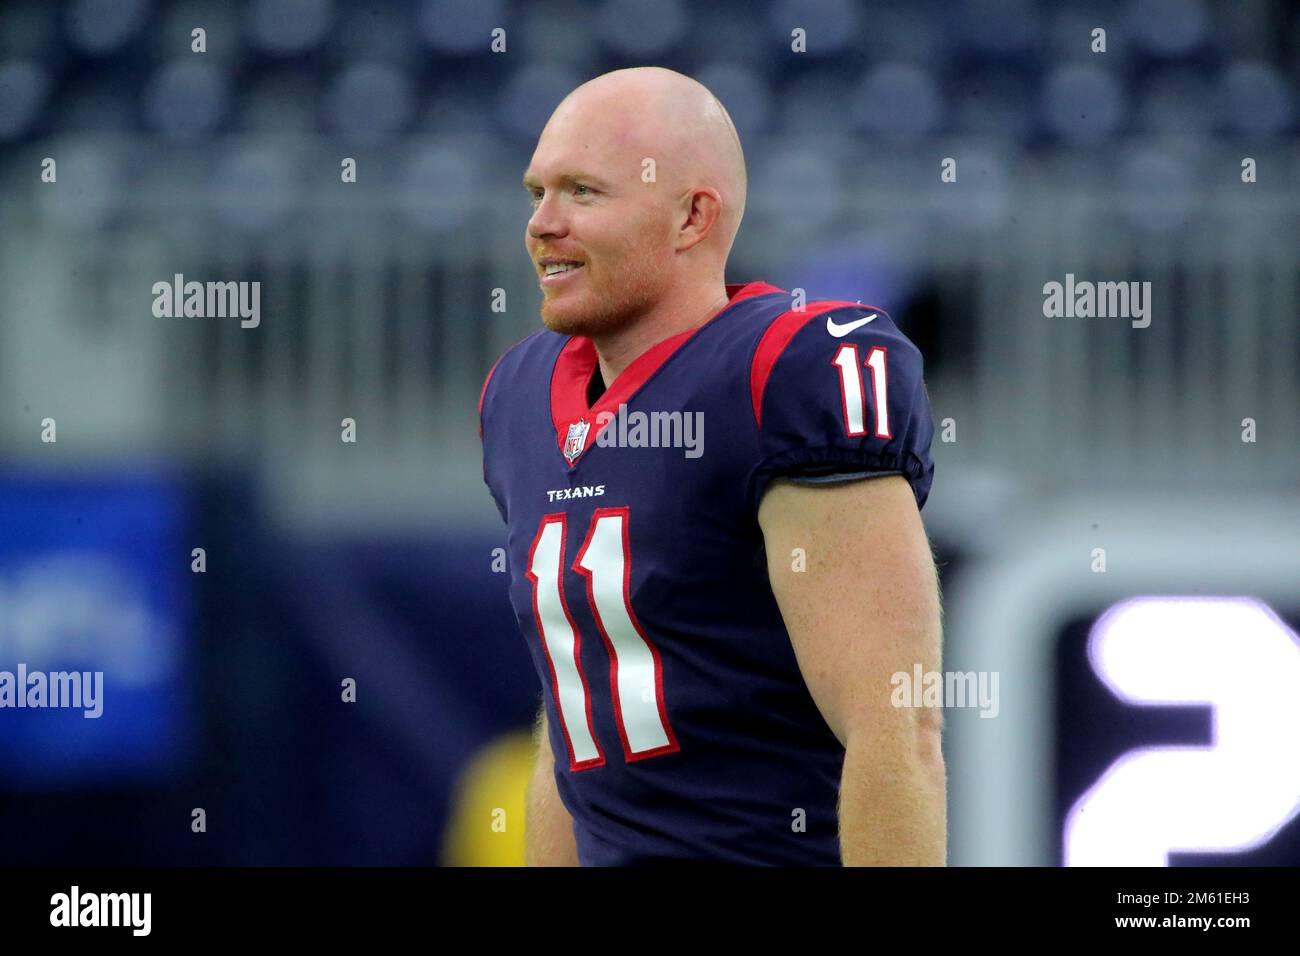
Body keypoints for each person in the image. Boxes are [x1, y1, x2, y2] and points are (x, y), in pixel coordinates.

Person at [479, 66, 944, 865]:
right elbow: (569, 733)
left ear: (692, 216)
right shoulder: (519, 393)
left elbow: (895, 726)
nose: (543, 224)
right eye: (536, 193)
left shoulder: (783, 368)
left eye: (583, 193)